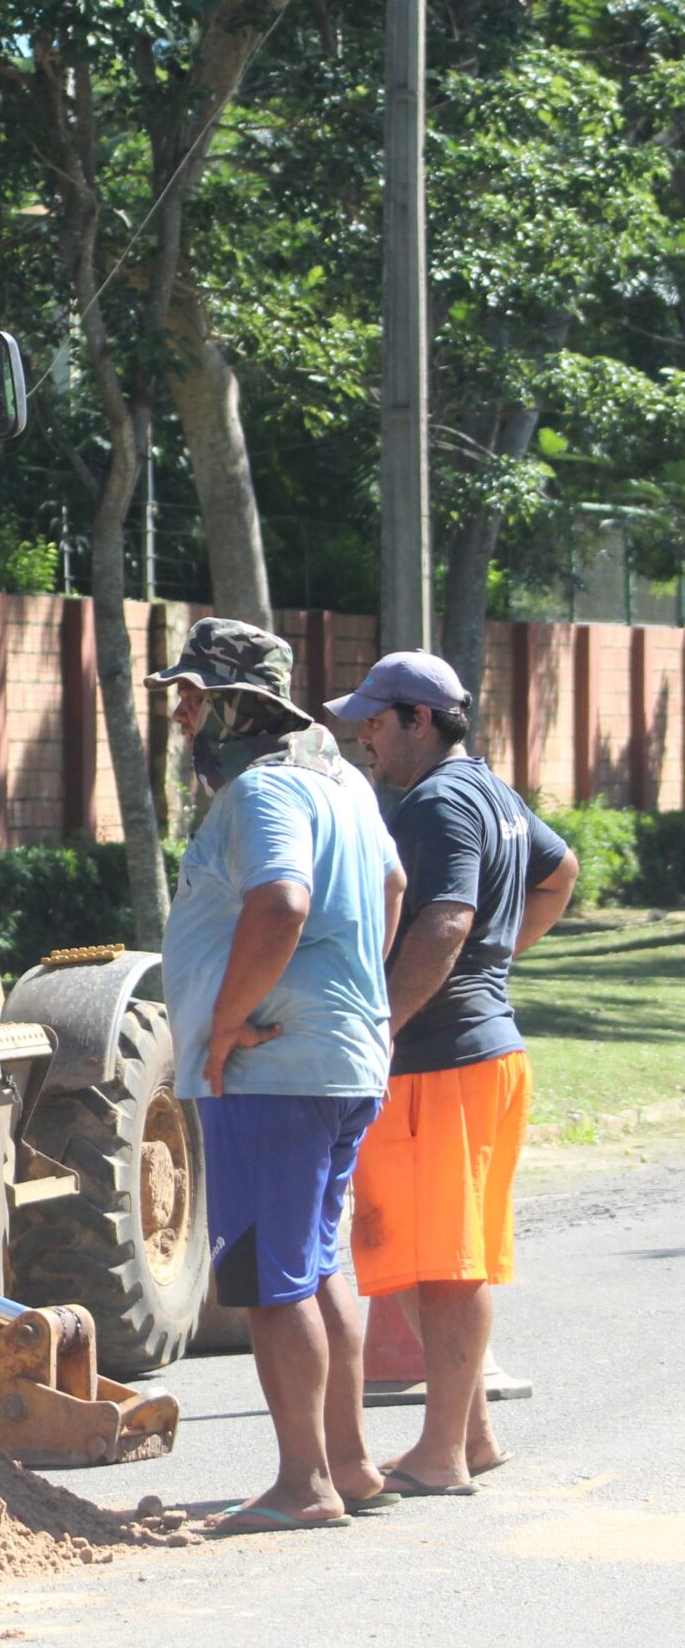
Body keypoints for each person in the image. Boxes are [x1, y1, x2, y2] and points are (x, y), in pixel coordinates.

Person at [148, 618, 404, 1536]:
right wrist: (351, 985)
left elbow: (282, 901)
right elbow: (392, 889)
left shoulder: (261, 793)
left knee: (268, 1279)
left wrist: (224, 1024)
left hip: (269, 1068)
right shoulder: (346, 788)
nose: (179, 715)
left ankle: (304, 1483)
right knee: (318, 1262)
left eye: (189, 695)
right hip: (340, 1058)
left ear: (233, 703)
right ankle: (353, 1462)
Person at [327, 651, 576, 1496]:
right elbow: (560, 873)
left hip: (440, 1059)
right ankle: (471, 1436)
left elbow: (444, 925)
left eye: (374, 718)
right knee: (427, 1252)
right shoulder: (494, 793)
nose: (364, 734)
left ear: (419, 721)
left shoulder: (437, 802)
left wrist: (379, 1027)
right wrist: (494, 970)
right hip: (483, 1051)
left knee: (444, 1258)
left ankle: (441, 1454)